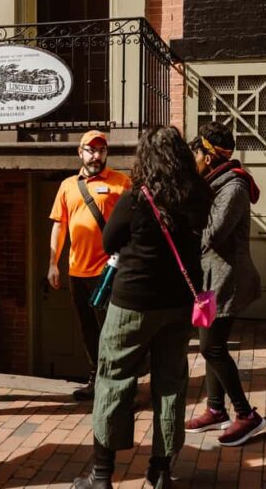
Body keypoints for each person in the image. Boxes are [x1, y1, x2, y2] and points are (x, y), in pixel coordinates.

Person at [73, 126, 212, 489]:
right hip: (179, 304)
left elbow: (109, 240)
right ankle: (161, 470)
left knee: (114, 379)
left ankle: (101, 475)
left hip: (132, 302)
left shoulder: (137, 197)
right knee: (170, 382)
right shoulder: (197, 195)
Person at [184, 121, 265, 446]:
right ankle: (216, 410)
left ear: (210, 156)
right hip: (208, 281)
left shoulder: (233, 188)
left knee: (211, 347)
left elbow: (211, 236)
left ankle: (247, 415)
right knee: (209, 348)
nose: (193, 159)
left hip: (226, 281)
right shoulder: (212, 183)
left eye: (197, 153)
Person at [48, 130, 131, 401]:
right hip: (76, 271)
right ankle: (96, 380)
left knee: (113, 332)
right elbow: (59, 226)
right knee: (88, 330)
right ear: (80, 152)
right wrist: (53, 264)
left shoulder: (122, 183)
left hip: (108, 272)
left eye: (102, 150)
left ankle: (118, 385)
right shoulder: (68, 185)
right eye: (91, 150)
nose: (96, 156)